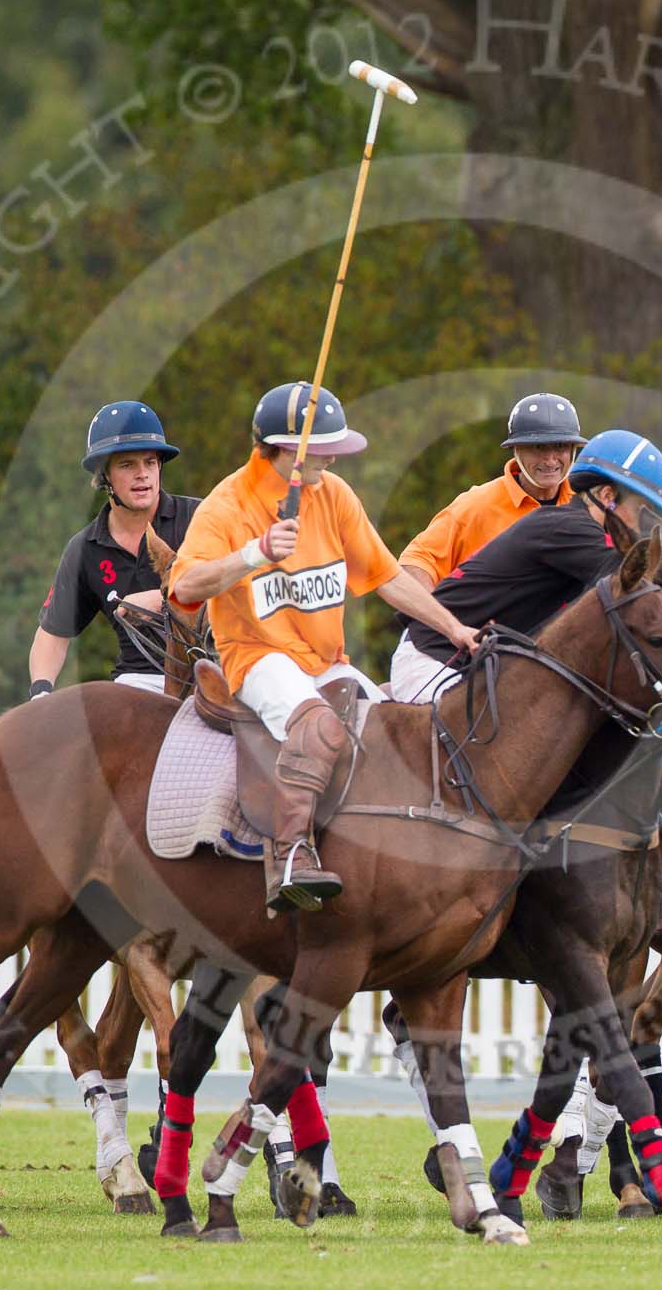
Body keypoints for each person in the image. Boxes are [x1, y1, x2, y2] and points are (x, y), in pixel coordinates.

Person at [168, 382, 478, 915]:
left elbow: (388, 577)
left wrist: (453, 629)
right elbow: (185, 587)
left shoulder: (332, 495)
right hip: (258, 658)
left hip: (327, 662)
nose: (333, 456)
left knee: (398, 731)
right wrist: (253, 554)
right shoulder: (228, 505)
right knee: (317, 728)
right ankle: (290, 857)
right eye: (322, 448)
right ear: (284, 450)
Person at [389, 429, 662, 704]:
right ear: (607, 496)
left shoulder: (574, 525)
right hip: (434, 657)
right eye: (644, 510)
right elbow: (653, 576)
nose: (648, 525)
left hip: (484, 666)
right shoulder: (568, 529)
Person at [389, 393, 584, 691]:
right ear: (515, 450)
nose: (549, 459)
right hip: (473, 660)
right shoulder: (477, 505)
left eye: (559, 446)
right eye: (537, 448)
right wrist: (447, 625)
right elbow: (414, 564)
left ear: (573, 449)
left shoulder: (586, 506)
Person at [30, 401, 199, 698]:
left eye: (149, 462)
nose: (142, 474)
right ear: (103, 475)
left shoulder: (200, 519)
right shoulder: (84, 549)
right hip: (139, 680)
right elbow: (52, 634)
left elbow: (237, 586)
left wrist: (162, 599)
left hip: (209, 669)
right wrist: (40, 695)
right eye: (127, 465)